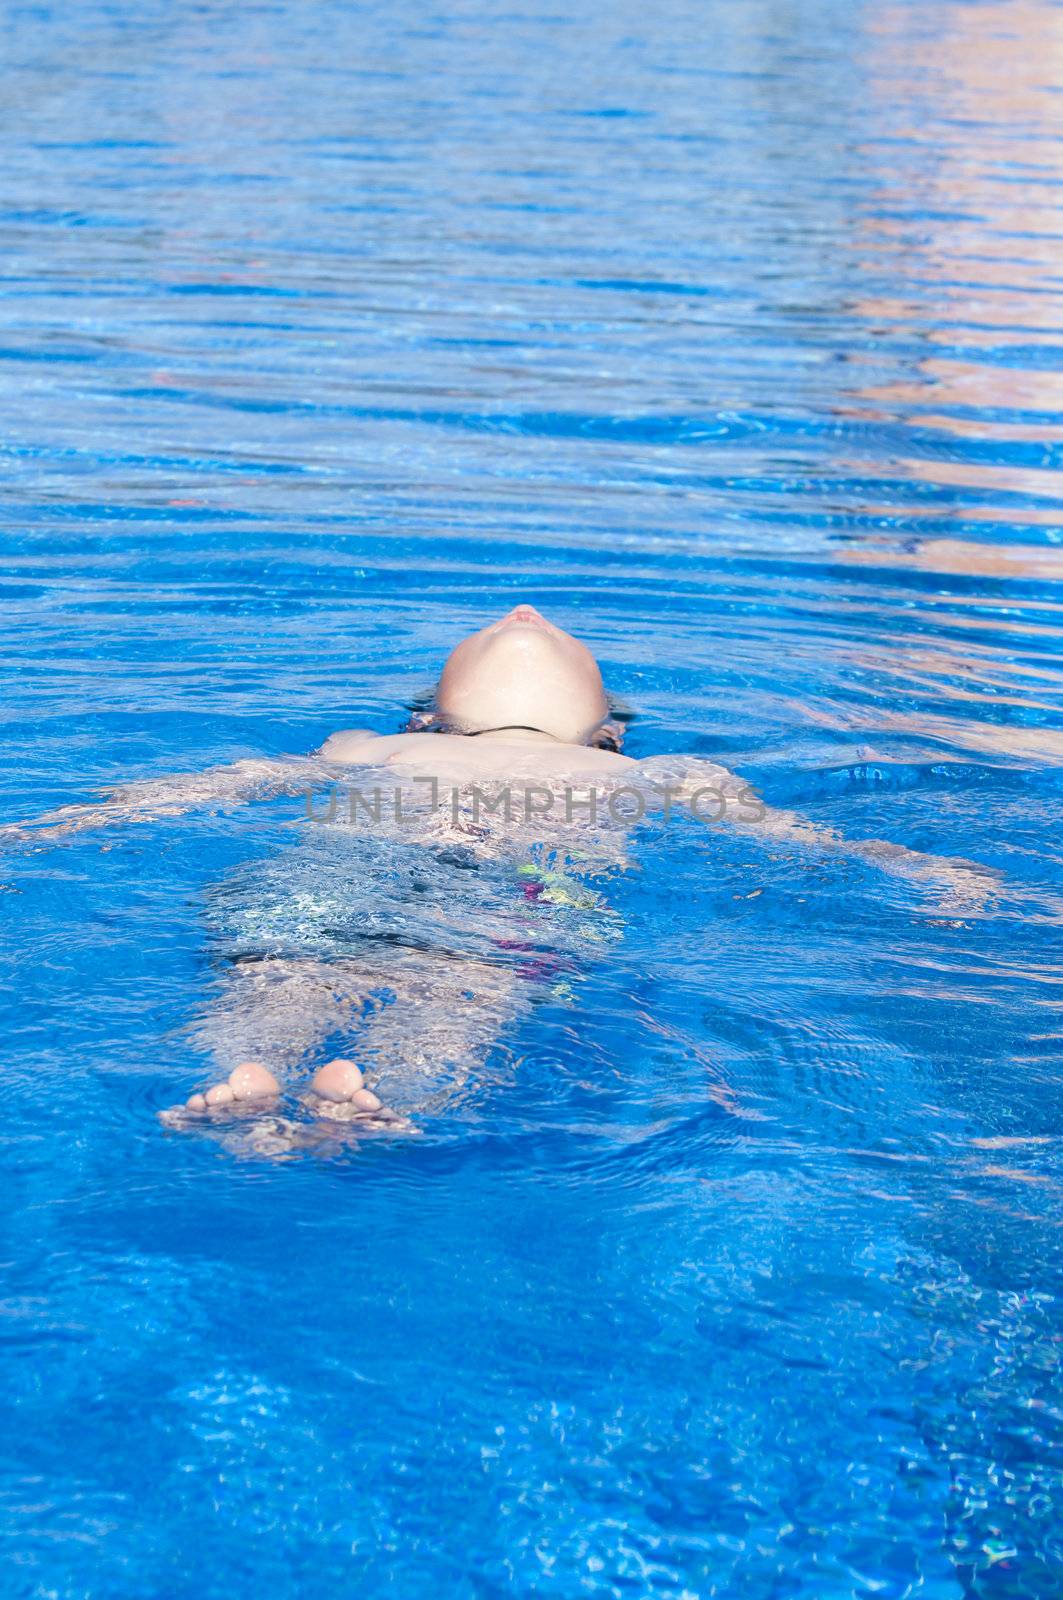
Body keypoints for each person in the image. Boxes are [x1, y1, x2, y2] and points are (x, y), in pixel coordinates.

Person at [0, 604, 996, 1143]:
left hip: (348, 871)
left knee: (276, 968)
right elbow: (803, 843)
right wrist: (930, 874)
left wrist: (51, 827)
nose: (523, 609)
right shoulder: (666, 773)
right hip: (515, 898)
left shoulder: (367, 750)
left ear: (428, 719)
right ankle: (377, 1091)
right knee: (461, 998)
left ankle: (250, 1065)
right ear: (604, 732)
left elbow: (204, 789)